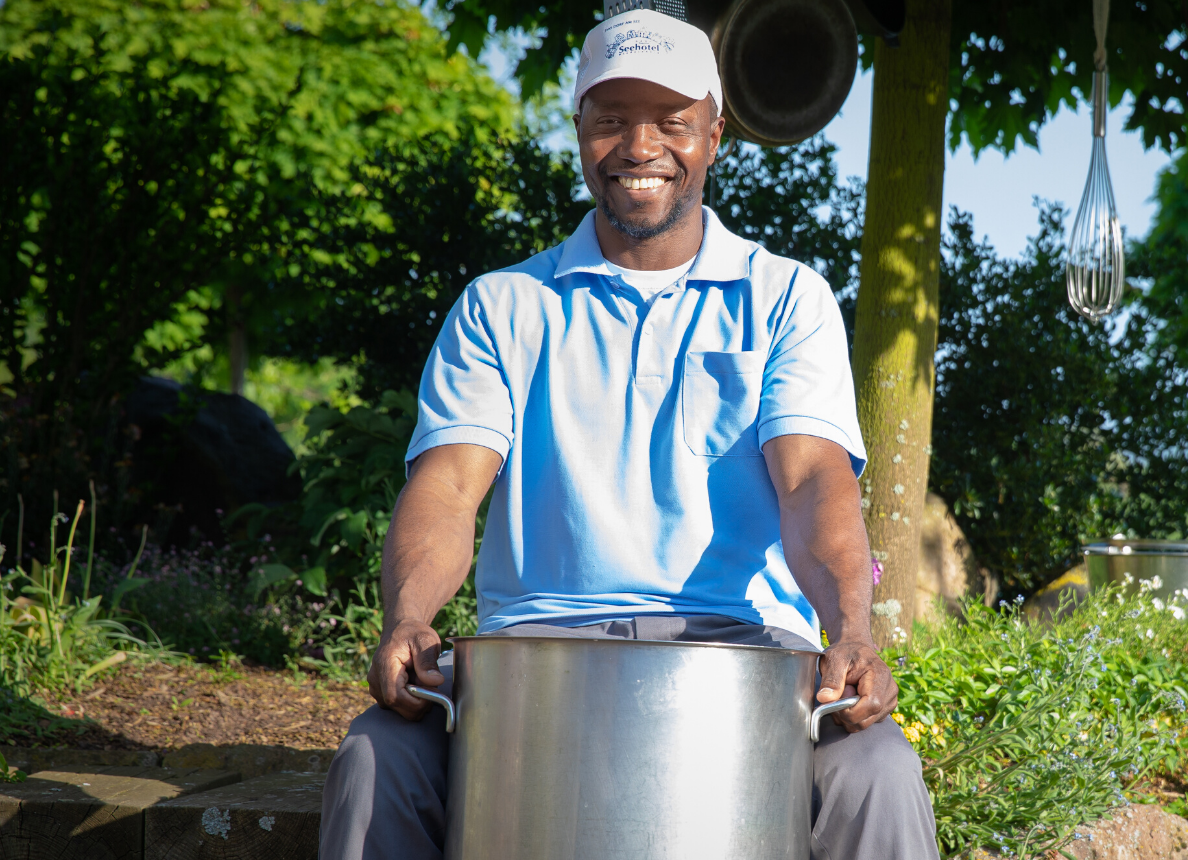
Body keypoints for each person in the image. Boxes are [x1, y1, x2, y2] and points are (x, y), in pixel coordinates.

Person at [315, 9, 939, 859]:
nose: (640, 145)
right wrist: (408, 619)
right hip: (535, 664)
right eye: (611, 119)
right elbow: (450, 485)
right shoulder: (503, 307)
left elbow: (811, 484)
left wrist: (852, 635)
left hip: (748, 661)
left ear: (714, 136)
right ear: (579, 131)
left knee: (881, 776)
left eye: (671, 121)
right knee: (376, 759)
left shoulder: (787, 299)